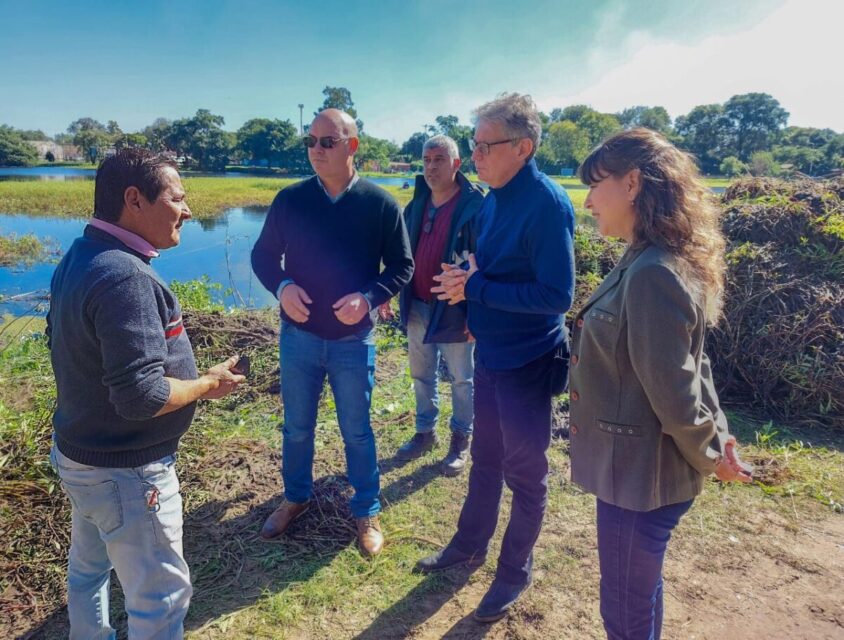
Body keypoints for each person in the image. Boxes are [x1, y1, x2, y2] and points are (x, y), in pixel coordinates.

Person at [46, 148, 245, 640]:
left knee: (88, 572)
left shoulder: (81, 255)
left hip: (81, 456)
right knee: (161, 598)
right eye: (177, 198)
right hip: (127, 472)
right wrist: (206, 385)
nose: (188, 210)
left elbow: (64, 344)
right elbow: (141, 396)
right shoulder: (126, 277)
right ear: (134, 199)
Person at [570, 128, 753, 639]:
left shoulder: (653, 271)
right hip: (634, 471)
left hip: (639, 478)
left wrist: (713, 453)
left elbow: (676, 388)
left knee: (625, 607)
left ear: (632, 184)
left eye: (595, 185)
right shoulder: (645, 258)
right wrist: (720, 435)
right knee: (638, 594)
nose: (587, 201)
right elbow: (695, 362)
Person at [416, 94, 576, 622]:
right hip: (490, 355)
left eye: (487, 145)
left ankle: (513, 571)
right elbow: (489, 263)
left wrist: (476, 287)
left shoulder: (548, 204)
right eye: (474, 144)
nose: (475, 155)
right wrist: (466, 280)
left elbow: (556, 295)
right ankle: (469, 545)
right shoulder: (492, 200)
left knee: (525, 474)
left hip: (528, 362)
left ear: (523, 147)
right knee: (485, 459)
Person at [251, 109, 413, 557]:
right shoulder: (291, 200)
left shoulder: (380, 204)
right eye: (311, 141)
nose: (316, 150)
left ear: (352, 146)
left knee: (357, 430)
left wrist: (369, 297)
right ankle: (296, 497)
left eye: (327, 142)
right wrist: (282, 287)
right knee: (296, 427)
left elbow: (402, 266)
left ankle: (367, 509)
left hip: (352, 341)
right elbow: (263, 257)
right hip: (298, 338)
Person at [383, 134, 484, 475]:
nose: (431, 167)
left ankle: (461, 438)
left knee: (461, 378)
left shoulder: (475, 207)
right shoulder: (416, 205)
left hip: (456, 309)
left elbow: (486, 263)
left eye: (439, 159)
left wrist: (477, 312)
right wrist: (388, 290)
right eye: (426, 160)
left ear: (456, 164)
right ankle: (425, 432)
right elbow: (399, 254)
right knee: (421, 374)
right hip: (417, 304)